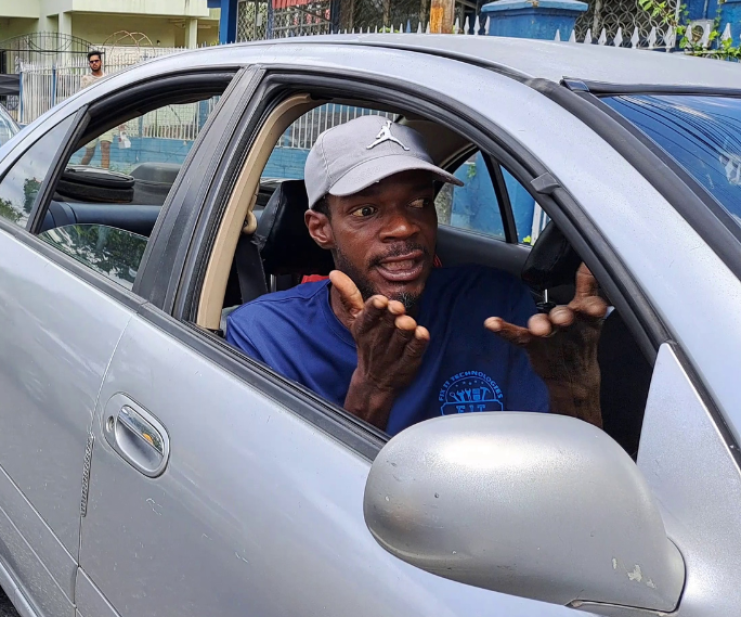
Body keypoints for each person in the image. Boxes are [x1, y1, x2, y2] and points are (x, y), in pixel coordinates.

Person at [226, 115, 606, 434]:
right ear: (320, 229)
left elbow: (562, 476)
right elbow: (293, 506)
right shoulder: (264, 336)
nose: (405, 228)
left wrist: (575, 389)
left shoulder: (492, 303)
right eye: (366, 211)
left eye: (420, 202)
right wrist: (373, 389)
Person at [79, 50, 114, 168]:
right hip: (92, 119)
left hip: (107, 117)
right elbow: (83, 99)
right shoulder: (85, 79)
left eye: (96, 61)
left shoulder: (108, 78)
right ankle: (79, 171)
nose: (94, 63)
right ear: (89, 64)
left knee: (105, 147)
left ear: (101, 62)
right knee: (89, 152)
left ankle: (105, 176)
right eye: (91, 62)